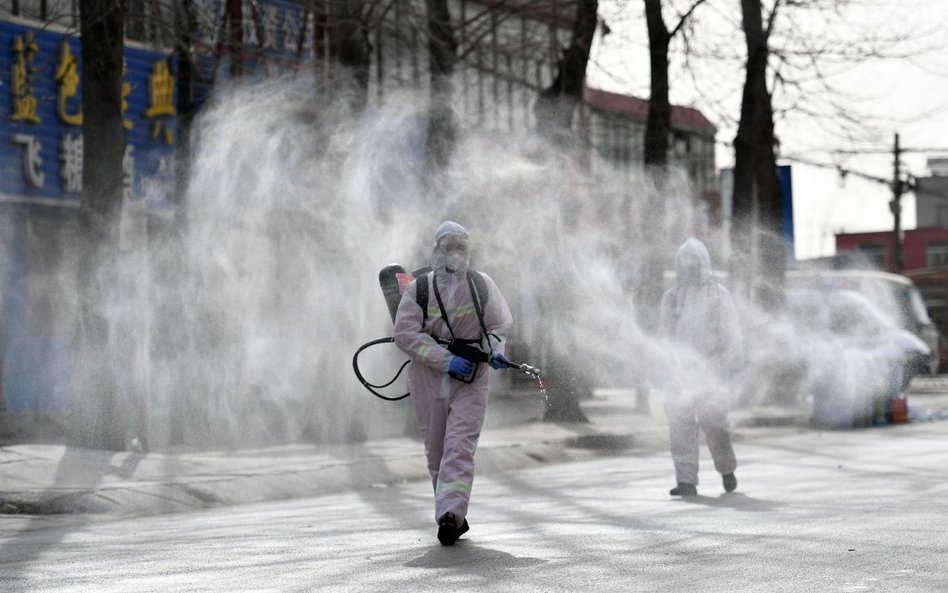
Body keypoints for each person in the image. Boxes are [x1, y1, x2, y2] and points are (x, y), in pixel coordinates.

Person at [394, 221, 513, 545]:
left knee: (459, 447)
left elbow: (498, 325)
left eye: (462, 247)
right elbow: (404, 334)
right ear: (437, 250)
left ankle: (449, 515)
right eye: (450, 247)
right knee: (437, 452)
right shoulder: (419, 289)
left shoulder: (482, 285)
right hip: (428, 378)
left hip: (472, 378)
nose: (457, 254)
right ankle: (451, 509)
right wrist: (444, 360)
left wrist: (495, 351)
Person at [658, 237, 743, 497]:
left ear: (703, 264)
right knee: (680, 424)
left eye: (693, 262)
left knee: (714, 422)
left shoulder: (718, 295)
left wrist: (729, 364)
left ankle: (726, 469)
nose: (688, 268)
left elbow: (732, 334)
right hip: (681, 372)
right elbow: (664, 336)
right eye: (683, 263)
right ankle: (686, 481)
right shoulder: (672, 298)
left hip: (712, 368)